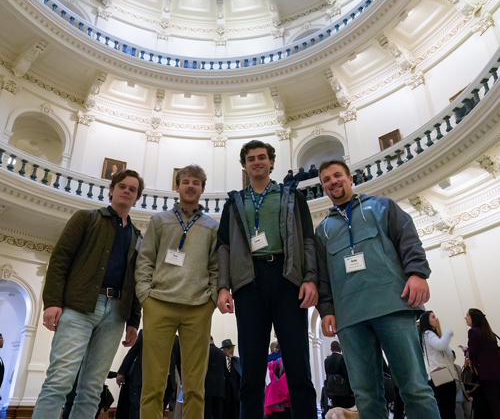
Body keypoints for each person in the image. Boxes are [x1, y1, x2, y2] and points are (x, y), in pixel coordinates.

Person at [315, 159, 441, 419]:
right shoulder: (322, 230)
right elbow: (322, 276)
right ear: (323, 188)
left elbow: (408, 239)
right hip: (350, 317)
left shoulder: (382, 206)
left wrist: (417, 273)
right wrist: (327, 309)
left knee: (415, 387)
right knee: (365, 395)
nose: (333, 182)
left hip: (392, 304)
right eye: (326, 180)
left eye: (337, 175)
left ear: (351, 179)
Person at [217, 140, 318, 419]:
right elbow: (224, 247)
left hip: (287, 280)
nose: (257, 162)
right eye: (251, 158)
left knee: (298, 366)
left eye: (262, 157)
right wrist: (223, 286)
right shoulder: (234, 202)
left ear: (271, 162)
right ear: (245, 165)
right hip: (249, 283)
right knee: (251, 370)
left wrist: (309, 278)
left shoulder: (291, 196)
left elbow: (307, 239)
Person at [32, 169, 143, 419]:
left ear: (137, 199)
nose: (127, 191)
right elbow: (60, 260)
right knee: (59, 381)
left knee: (92, 388)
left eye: (132, 189)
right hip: (79, 308)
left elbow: (136, 281)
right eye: (122, 186)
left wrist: (133, 321)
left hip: (116, 314)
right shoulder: (85, 218)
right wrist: (52, 303)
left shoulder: (138, 237)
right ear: (111, 190)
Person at [136, 164, 219, 419]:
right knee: (153, 379)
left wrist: (212, 299)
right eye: (186, 181)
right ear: (177, 186)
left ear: (202, 188)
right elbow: (145, 259)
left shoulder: (212, 226)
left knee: (195, 382)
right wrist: (145, 295)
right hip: (159, 303)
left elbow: (216, 266)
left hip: (198, 307)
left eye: (196, 182)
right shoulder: (159, 220)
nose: (191, 186)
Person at [419, 310, 456, 419]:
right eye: (433, 317)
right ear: (427, 321)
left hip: (445, 377)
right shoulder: (427, 334)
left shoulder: (432, 335)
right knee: (446, 409)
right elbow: (441, 346)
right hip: (441, 377)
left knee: (448, 409)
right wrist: (447, 332)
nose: (436, 319)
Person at [465, 308, 500, 419]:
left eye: (467, 315)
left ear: (474, 318)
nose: (465, 318)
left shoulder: (473, 332)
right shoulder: (489, 333)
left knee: (493, 407)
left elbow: (473, 353)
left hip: (484, 374)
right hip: (496, 372)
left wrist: (466, 352)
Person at [323, 341, 355, 412]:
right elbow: (346, 375)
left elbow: (327, 374)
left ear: (331, 349)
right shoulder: (342, 358)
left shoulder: (326, 360)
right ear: (339, 348)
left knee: (337, 411)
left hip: (332, 392)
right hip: (344, 391)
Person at [205, 336, 226, 419]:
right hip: (219, 389)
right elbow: (225, 372)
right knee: (218, 415)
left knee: (207, 414)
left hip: (207, 389)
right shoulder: (222, 353)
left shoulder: (205, 352)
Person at [221, 339, 241, 419]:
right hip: (225, 394)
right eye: (229, 348)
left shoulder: (237, 361)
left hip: (236, 394)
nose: (231, 350)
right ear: (224, 350)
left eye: (232, 348)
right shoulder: (221, 361)